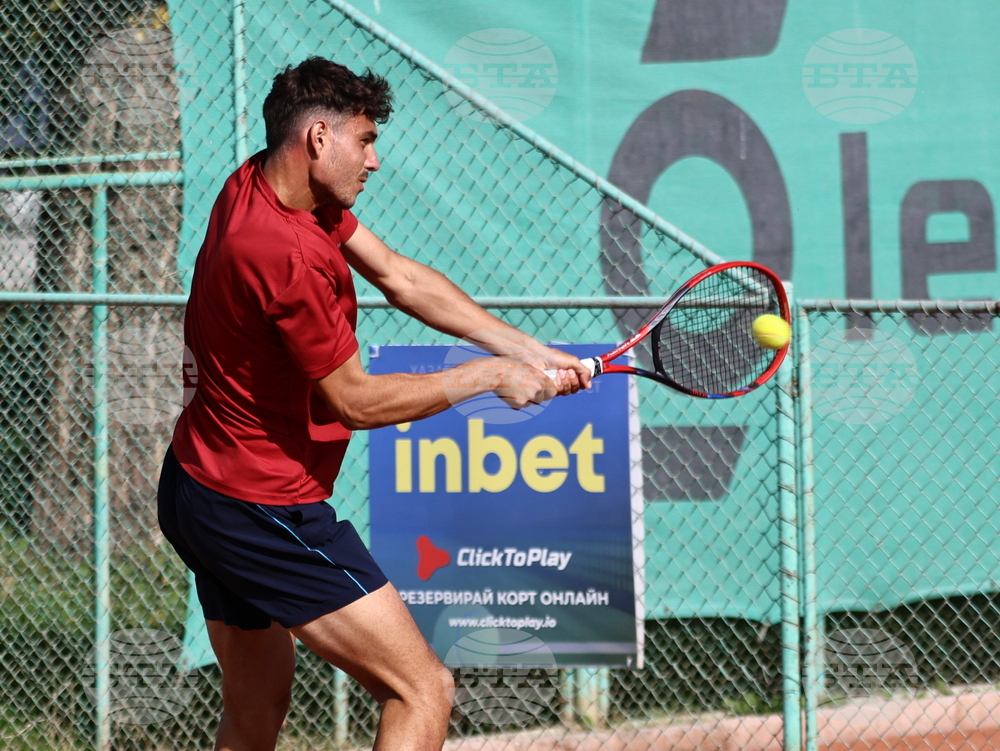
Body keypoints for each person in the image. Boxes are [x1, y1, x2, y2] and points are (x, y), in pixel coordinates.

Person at [157, 56, 591, 751]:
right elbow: (355, 401)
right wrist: (488, 376)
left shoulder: (259, 183)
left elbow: (399, 277)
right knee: (421, 688)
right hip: (260, 509)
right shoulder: (285, 254)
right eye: (365, 139)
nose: (375, 159)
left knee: (253, 713)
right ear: (320, 139)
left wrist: (528, 350)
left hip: (196, 487)